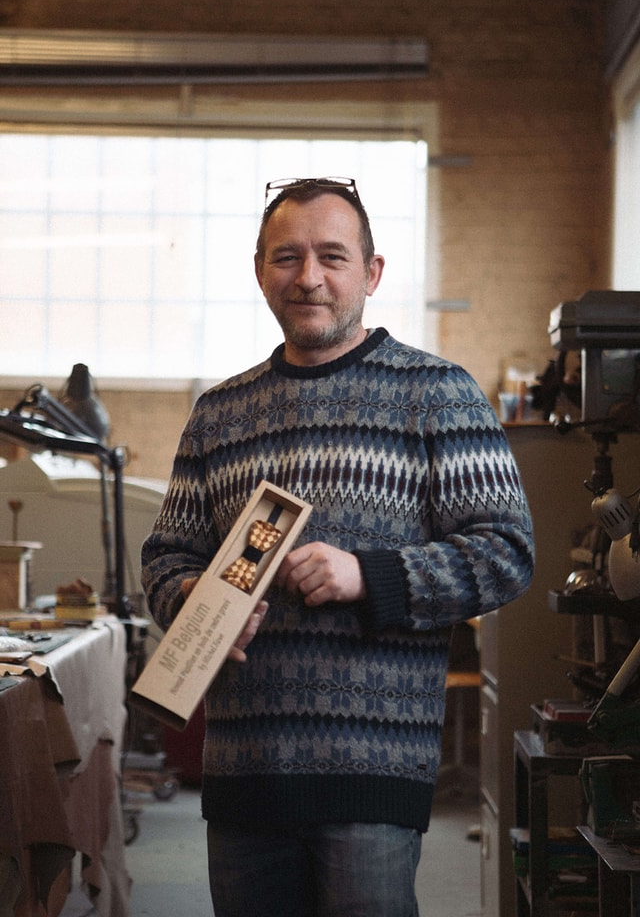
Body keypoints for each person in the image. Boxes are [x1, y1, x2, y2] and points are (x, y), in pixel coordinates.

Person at [141, 176, 534, 917]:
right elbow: (167, 556)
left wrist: (368, 576)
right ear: (261, 271)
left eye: (332, 256)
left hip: (373, 775)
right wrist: (188, 597)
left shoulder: (438, 395)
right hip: (245, 773)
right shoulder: (218, 414)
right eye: (286, 258)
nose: (309, 277)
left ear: (372, 272)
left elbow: (506, 554)